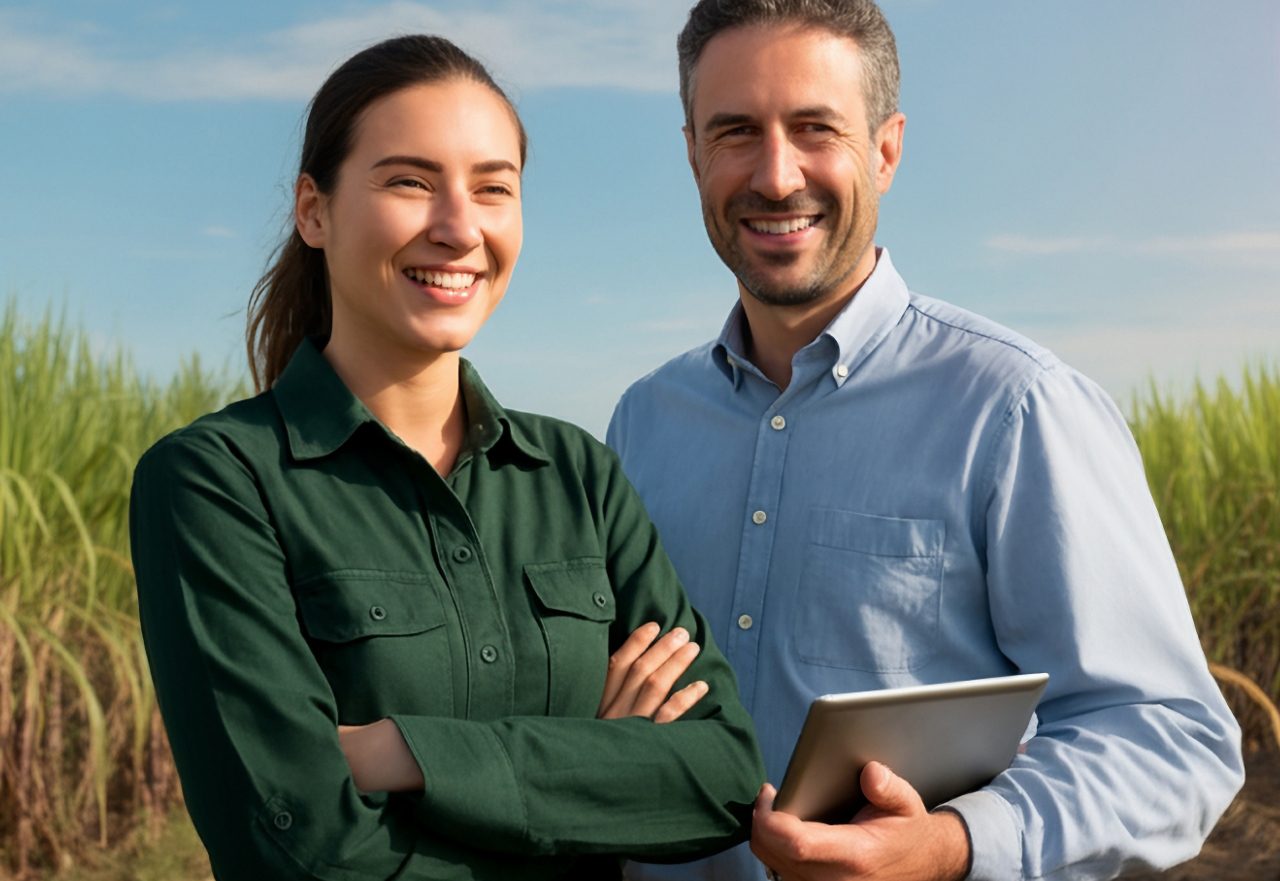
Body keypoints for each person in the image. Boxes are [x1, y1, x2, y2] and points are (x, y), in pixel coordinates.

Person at [606, 2, 1244, 879]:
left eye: (815, 128)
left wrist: (954, 844)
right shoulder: (642, 422)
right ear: (692, 154)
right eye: (735, 132)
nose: (777, 174)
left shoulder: (1019, 407)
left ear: (887, 148)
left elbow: (1172, 737)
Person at [130, 34, 764, 881]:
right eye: (409, 182)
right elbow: (296, 847)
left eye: (493, 188)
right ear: (313, 210)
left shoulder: (578, 474)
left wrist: (399, 752)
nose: (459, 227)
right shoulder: (216, 483)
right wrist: (600, 764)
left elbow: (721, 777)